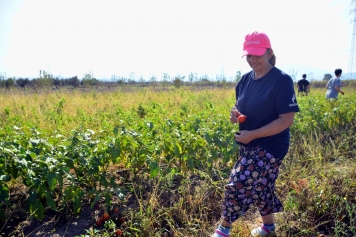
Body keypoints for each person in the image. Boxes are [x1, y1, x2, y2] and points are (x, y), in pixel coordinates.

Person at [211, 31, 300, 237]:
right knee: (262, 186)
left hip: (271, 145)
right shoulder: (244, 80)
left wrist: (254, 134)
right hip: (248, 142)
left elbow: (286, 120)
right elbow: (240, 105)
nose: (252, 60)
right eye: (249, 55)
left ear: (269, 52)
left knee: (237, 183)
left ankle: (223, 230)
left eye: (257, 54)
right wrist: (235, 114)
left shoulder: (281, 80)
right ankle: (268, 228)